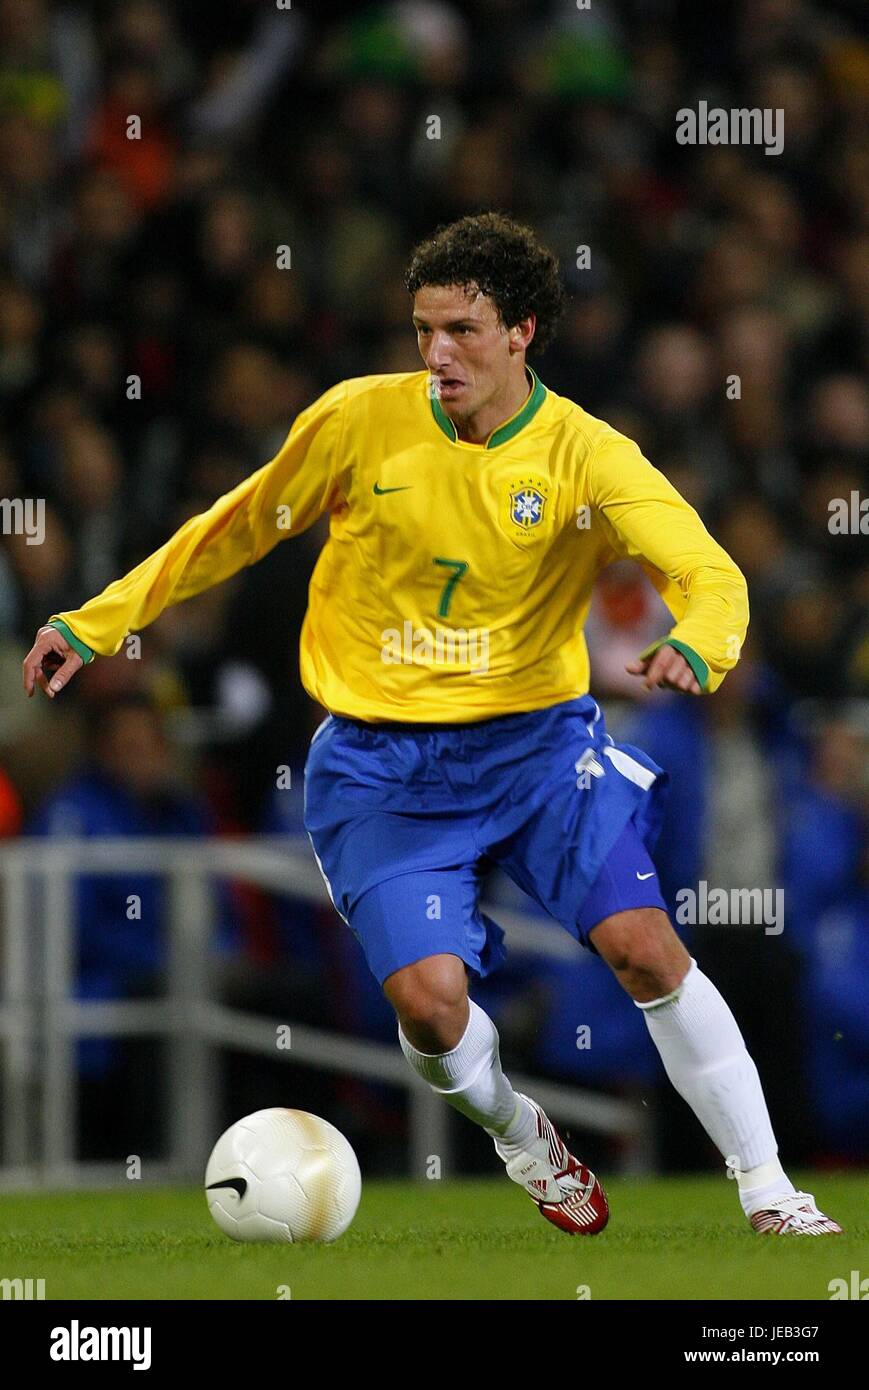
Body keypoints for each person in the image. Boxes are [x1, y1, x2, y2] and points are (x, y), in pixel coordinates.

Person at [23, 212, 840, 1236]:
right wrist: (96, 623)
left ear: (521, 332)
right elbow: (233, 524)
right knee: (429, 1006)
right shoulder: (359, 421)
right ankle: (519, 1133)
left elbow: (706, 570)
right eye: (422, 330)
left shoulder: (588, 456)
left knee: (642, 947)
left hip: (537, 747)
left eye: (460, 330)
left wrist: (700, 644)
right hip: (379, 765)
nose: (436, 353)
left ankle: (768, 1189)